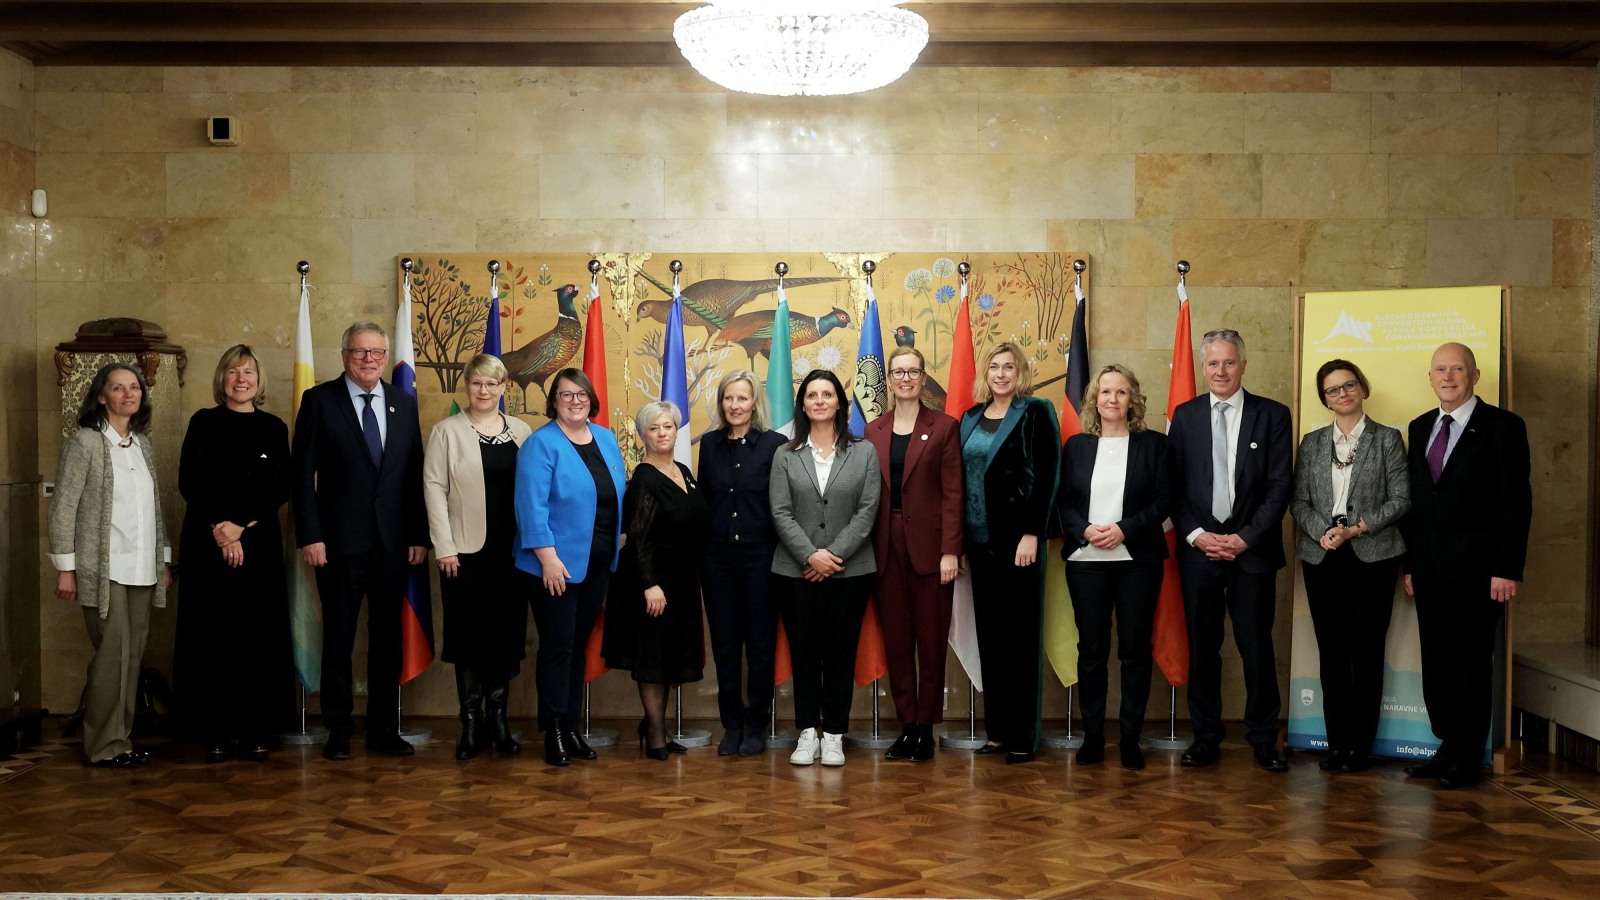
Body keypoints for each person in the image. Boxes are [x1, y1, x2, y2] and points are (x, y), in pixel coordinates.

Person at [292, 322, 430, 761]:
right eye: (359, 351)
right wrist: (310, 535)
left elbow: (413, 474)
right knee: (339, 638)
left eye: (376, 352)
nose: (369, 359)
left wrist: (418, 535)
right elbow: (301, 476)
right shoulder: (319, 401)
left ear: (386, 358)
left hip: (392, 544)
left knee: (387, 639)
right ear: (344, 355)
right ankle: (338, 728)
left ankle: (384, 728)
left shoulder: (403, 403)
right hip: (338, 544)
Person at [1400, 342, 1530, 790]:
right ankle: (1448, 744)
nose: (1448, 377)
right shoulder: (1420, 427)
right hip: (1429, 569)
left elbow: (1516, 503)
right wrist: (1410, 565)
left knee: (1471, 663)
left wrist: (1507, 567)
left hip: (1480, 572)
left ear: (1474, 376)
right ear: (1430, 378)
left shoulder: (1503, 426)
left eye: (1457, 369)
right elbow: (1418, 503)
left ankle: (1468, 755)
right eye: (1440, 370)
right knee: (1437, 661)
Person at [1168, 329, 1292, 772]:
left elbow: (1279, 486)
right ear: (1203, 367)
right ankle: (1205, 737)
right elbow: (1173, 487)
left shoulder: (1273, 414)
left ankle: (1263, 739)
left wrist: (1245, 538)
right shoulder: (1184, 416)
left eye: (1229, 362)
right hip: (1199, 553)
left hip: (1251, 553)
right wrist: (1196, 535)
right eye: (1213, 363)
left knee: (1256, 647)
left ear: (1243, 365)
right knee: (1203, 649)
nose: (1221, 371)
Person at [173, 345, 293, 764]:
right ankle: (215, 731)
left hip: (258, 545)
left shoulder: (274, 428)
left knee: (257, 636)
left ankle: (258, 728)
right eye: (233, 372)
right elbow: (189, 481)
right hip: (207, 543)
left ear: (259, 381)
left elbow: (281, 486)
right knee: (212, 636)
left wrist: (240, 525)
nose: (241, 379)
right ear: (221, 379)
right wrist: (223, 530)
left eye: (248, 373)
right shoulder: (202, 423)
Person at [48, 362, 173, 768]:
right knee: (111, 658)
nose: (128, 394)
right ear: (101, 396)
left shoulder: (142, 445)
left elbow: (154, 509)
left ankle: (121, 740)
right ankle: (102, 746)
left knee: (132, 656)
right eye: (118, 388)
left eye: (134, 387)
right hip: (104, 570)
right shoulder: (84, 443)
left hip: (142, 568)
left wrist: (163, 560)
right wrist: (66, 568)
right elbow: (63, 508)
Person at [1290, 359, 1409, 774]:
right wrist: (1322, 531)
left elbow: (1401, 499)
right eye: (1332, 389)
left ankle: (1360, 747)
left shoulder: (1387, 439)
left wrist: (1356, 528)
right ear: (1324, 400)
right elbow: (1298, 501)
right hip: (1323, 557)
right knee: (1332, 654)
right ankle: (1337, 745)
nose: (1342, 394)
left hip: (1372, 558)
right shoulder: (1312, 443)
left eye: (1349, 385)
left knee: (1367, 653)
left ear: (1362, 388)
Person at [1057, 364, 1171, 771]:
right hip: (1086, 562)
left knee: (1135, 652)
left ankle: (1129, 739)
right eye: (1105, 392)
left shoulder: (1154, 445)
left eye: (1120, 392)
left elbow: (1164, 501)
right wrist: (1085, 530)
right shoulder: (1076, 446)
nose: (1112, 399)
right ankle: (1092, 737)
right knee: (1091, 651)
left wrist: (1124, 529)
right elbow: (1063, 500)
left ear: (1132, 399)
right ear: (1094, 400)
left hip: (1137, 562)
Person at [423, 354, 534, 760]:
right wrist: (444, 546)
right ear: (466, 386)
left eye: (491, 383)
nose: (483, 391)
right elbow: (433, 489)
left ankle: (498, 721)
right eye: (476, 383)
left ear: (504, 387)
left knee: (505, 637)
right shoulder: (446, 431)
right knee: (468, 639)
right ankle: (471, 724)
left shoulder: (522, 431)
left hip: (513, 553)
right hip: (464, 554)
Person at [514, 367, 626, 767]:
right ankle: (554, 732)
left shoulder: (606, 439)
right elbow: (530, 506)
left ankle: (572, 727)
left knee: (578, 648)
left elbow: (614, 497)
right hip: (554, 567)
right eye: (566, 394)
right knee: (558, 648)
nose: (575, 401)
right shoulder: (540, 444)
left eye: (581, 394)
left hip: (597, 563)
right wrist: (547, 558)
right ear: (554, 401)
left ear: (591, 399)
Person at [770, 369, 881, 768]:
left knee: (840, 653)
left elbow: (868, 511)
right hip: (795, 572)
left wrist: (831, 555)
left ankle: (833, 734)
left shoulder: (864, 452)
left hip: (850, 572)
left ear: (839, 403)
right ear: (802, 405)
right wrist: (809, 556)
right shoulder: (785, 454)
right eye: (812, 395)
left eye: (827, 394)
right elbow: (780, 512)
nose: (819, 401)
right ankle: (806, 733)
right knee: (804, 653)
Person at [959, 341, 1060, 765]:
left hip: (1019, 544)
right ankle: (998, 732)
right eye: (994, 367)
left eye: (1009, 367)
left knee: (1020, 641)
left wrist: (1032, 533)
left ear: (1020, 373)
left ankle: (1023, 736)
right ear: (985, 373)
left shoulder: (1036, 411)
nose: (1001, 374)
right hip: (978, 545)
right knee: (992, 641)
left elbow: (1047, 475)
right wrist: (960, 545)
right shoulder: (970, 417)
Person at [865, 345, 962, 762]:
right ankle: (906, 726)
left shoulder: (944, 427)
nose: (905, 379)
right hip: (886, 548)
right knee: (898, 641)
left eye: (913, 372)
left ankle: (926, 728)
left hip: (931, 550)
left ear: (923, 378)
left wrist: (950, 551)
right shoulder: (873, 431)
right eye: (898, 372)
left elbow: (953, 494)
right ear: (888, 380)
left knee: (931, 642)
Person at [604, 401, 709, 760]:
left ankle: (656, 727)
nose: (663, 433)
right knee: (652, 659)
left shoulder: (683, 470)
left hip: (681, 580)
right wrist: (650, 585)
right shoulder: (644, 480)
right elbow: (638, 538)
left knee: (667, 657)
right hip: (652, 583)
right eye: (654, 428)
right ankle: (654, 734)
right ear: (642, 435)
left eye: (668, 427)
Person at [697, 370, 787, 757]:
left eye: (742, 398)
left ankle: (756, 724)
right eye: (728, 398)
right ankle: (731, 724)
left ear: (755, 403)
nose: (735, 405)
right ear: (721, 403)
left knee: (761, 646)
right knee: (725, 645)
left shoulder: (775, 445)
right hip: (717, 558)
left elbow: (782, 504)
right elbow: (704, 502)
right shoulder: (710, 444)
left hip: (761, 558)